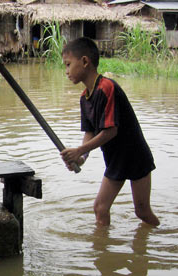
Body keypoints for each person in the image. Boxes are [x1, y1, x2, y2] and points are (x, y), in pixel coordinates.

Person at [60, 37, 160, 227]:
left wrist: (79, 151)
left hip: (134, 155)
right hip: (116, 158)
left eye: (68, 64)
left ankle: (166, 241)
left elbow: (110, 131)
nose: (66, 71)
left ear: (84, 62)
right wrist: (82, 157)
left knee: (142, 212)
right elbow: (90, 131)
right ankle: (101, 251)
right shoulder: (85, 97)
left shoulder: (107, 87)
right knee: (100, 208)